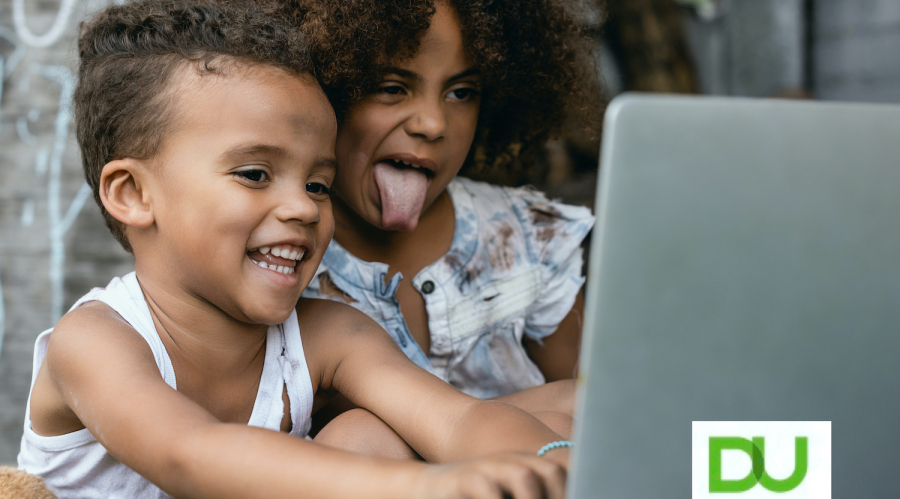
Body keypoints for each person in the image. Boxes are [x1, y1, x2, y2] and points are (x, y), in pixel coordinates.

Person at [17, 1, 573, 497]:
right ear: (134, 194)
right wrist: (429, 485)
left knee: (372, 434)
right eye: (256, 173)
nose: (305, 209)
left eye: (318, 184)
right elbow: (190, 456)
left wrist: (548, 463)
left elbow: (454, 422)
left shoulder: (329, 334)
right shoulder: (94, 341)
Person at [295, 0, 601, 427]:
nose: (433, 123)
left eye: (461, 93)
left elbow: (598, 414)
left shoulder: (528, 239)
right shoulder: (278, 254)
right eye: (391, 87)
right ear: (320, 87)